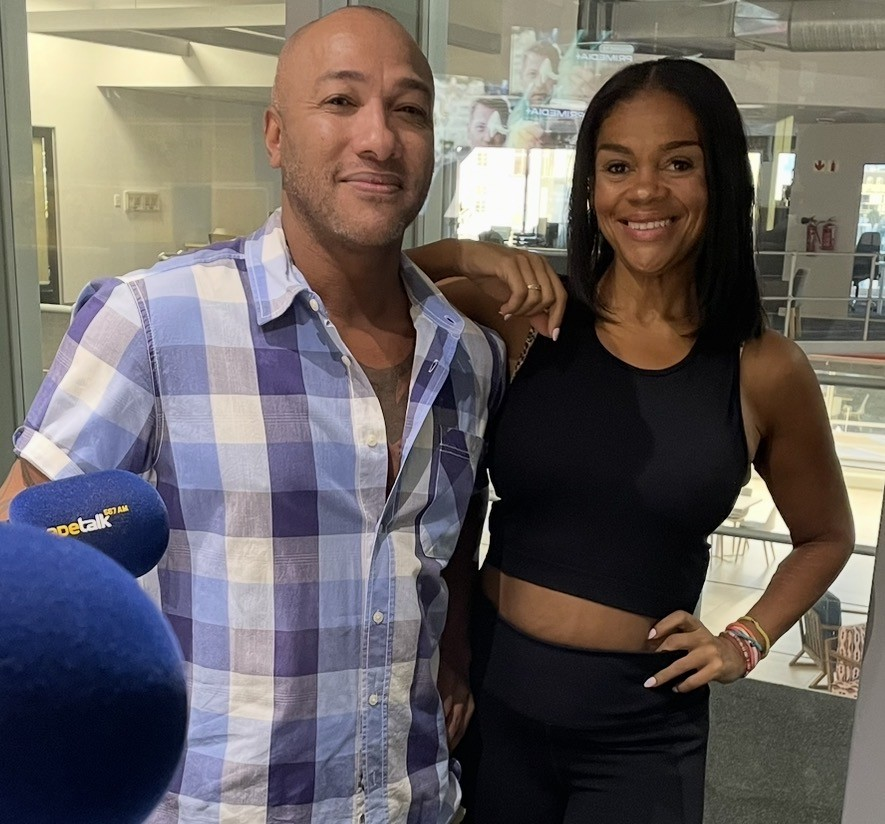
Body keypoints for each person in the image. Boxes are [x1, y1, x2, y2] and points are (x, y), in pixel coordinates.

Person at [0, 7, 523, 822]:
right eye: (341, 102)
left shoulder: (468, 358)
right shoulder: (153, 321)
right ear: (276, 136)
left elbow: (442, 561)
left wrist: (451, 658)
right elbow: (22, 561)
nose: (379, 138)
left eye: (409, 110)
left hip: (412, 800)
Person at [417, 57, 855, 824]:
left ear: (721, 180)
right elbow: (358, 288)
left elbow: (825, 536)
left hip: (642, 733)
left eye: (677, 164)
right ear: (590, 186)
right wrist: (463, 253)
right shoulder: (530, 318)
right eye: (617, 166)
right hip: (494, 697)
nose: (644, 191)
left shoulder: (762, 368)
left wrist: (744, 640)